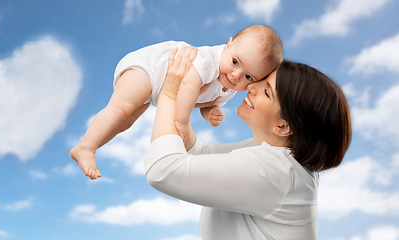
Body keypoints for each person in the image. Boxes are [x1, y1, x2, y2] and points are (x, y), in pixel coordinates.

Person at [145, 47, 352, 239]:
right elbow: (200, 153)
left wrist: (169, 92)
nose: (251, 85)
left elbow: (161, 170)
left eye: (267, 91)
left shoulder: (275, 171)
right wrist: (186, 99)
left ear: (282, 127)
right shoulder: (272, 155)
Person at [71, 25, 283, 180]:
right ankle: (87, 147)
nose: (236, 75)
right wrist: (181, 122)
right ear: (228, 45)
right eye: (235, 62)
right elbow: (189, 86)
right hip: (149, 69)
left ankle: (90, 146)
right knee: (120, 109)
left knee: (126, 122)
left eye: (249, 77)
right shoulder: (209, 60)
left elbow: (202, 101)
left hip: (157, 91)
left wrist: (210, 112)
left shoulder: (228, 86)